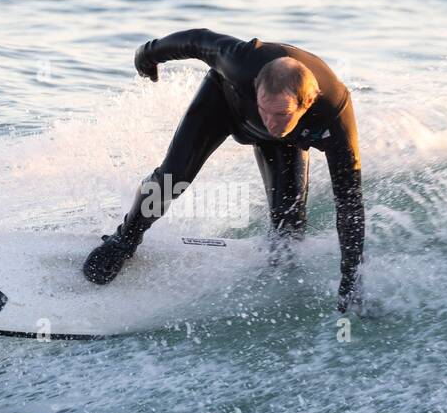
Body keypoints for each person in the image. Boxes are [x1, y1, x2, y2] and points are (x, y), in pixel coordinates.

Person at [82, 28, 365, 313]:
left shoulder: (335, 113)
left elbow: (349, 203)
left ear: (308, 102)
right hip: (223, 105)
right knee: (173, 177)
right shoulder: (242, 61)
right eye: (265, 109)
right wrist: (147, 54)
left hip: (287, 141)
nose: (269, 121)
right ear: (256, 86)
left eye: (281, 114)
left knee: (289, 228)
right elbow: (197, 40)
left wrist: (350, 281)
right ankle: (125, 239)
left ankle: (276, 275)